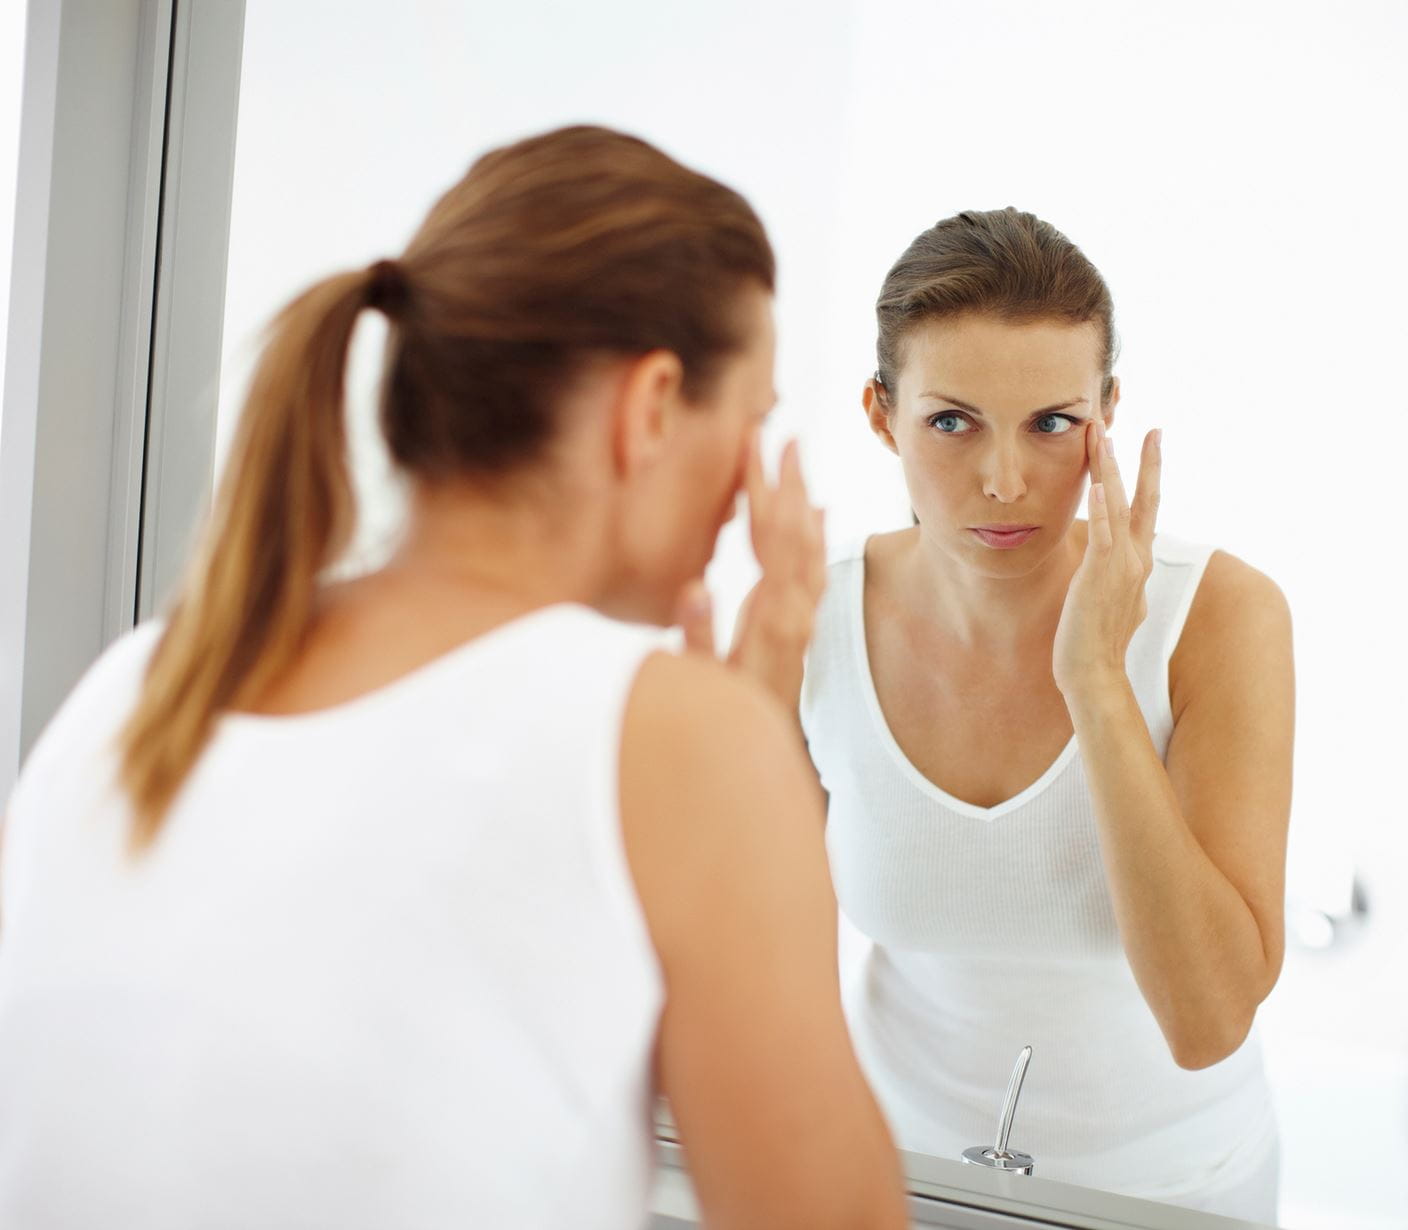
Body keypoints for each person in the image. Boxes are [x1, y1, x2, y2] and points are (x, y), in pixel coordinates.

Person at [0, 125, 905, 1230]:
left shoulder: (143, 679)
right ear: (651, 405)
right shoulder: (669, 738)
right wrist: (747, 735)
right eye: (751, 418)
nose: (748, 483)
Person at [795, 209, 1295, 1219]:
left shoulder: (1219, 616)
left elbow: (1205, 1021)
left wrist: (1098, 687)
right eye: (950, 421)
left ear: (1106, 413)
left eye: (1052, 423)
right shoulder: (809, 622)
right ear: (880, 414)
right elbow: (755, 966)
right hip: (896, 1175)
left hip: (1171, 1193)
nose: (1005, 481)